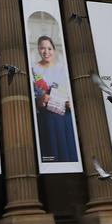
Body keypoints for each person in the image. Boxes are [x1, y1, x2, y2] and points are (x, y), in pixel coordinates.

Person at [32, 35, 78, 163]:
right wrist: (39, 101)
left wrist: (71, 102)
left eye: (49, 48)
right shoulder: (33, 69)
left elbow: (71, 91)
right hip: (46, 118)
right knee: (51, 154)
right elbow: (32, 96)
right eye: (42, 48)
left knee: (68, 153)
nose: (46, 52)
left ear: (54, 50)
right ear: (38, 49)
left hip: (65, 117)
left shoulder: (63, 68)